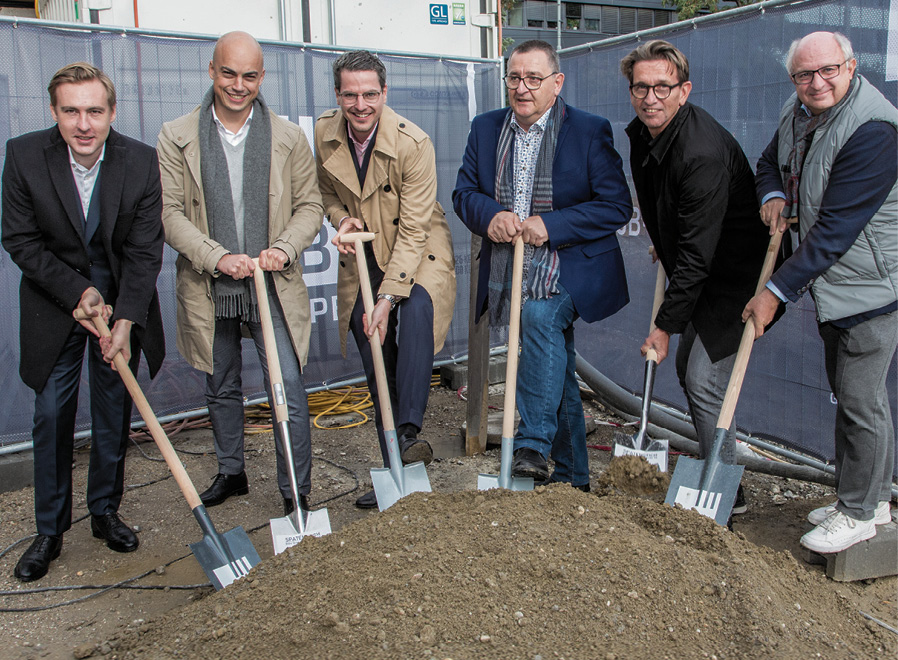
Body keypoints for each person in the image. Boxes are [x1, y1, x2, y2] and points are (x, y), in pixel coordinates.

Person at [2, 63, 165, 581]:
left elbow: (144, 251)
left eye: (94, 110)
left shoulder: (140, 161)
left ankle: (104, 512)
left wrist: (127, 319)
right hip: (54, 305)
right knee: (52, 414)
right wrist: (77, 291)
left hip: (118, 307)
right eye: (71, 111)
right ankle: (49, 531)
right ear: (53, 112)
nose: (84, 123)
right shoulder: (24, 155)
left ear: (112, 112)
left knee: (114, 409)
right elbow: (20, 240)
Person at [157, 31, 324, 515]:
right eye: (228, 73)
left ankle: (296, 491)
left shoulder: (288, 138)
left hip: (271, 283)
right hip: (210, 283)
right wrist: (216, 256)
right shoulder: (176, 136)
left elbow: (310, 206)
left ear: (261, 77)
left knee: (286, 388)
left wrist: (284, 248)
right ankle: (232, 472)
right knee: (220, 384)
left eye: (249, 76)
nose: (238, 85)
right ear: (212, 71)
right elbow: (169, 213)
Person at [453, 40, 631, 490]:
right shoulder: (485, 128)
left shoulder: (589, 130)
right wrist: (491, 216)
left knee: (536, 317)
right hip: (510, 264)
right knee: (555, 366)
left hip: (571, 265)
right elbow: (464, 193)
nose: (523, 88)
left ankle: (531, 445)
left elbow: (616, 206)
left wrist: (552, 225)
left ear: (557, 82)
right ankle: (573, 479)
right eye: (515, 78)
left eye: (534, 78)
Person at [743, 31, 897, 553]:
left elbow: (834, 230)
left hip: (871, 287)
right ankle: (869, 498)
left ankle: (858, 512)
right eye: (804, 74)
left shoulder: (874, 130)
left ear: (851, 67)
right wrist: (771, 194)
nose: (817, 82)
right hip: (837, 283)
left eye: (828, 70)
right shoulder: (798, 111)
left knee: (859, 401)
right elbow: (770, 162)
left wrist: (774, 293)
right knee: (855, 397)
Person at [621, 40, 778, 516]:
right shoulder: (645, 131)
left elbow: (696, 258)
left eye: (662, 87)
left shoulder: (700, 152)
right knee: (692, 372)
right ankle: (721, 472)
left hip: (740, 277)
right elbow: (664, 201)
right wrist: (664, 238)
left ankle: (725, 490)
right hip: (705, 263)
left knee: (704, 380)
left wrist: (663, 327)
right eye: (641, 87)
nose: (651, 97)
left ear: (683, 91)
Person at [316, 50, 456, 509]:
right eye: (350, 95)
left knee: (414, 311)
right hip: (366, 247)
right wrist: (341, 219)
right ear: (338, 94)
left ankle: (409, 431)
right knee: (374, 346)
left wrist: (389, 297)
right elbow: (323, 193)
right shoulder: (324, 134)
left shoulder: (413, 143)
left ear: (385, 92)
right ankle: (396, 468)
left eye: (370, 94)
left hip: (418, 244)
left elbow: (414, 230)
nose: (360, 105)